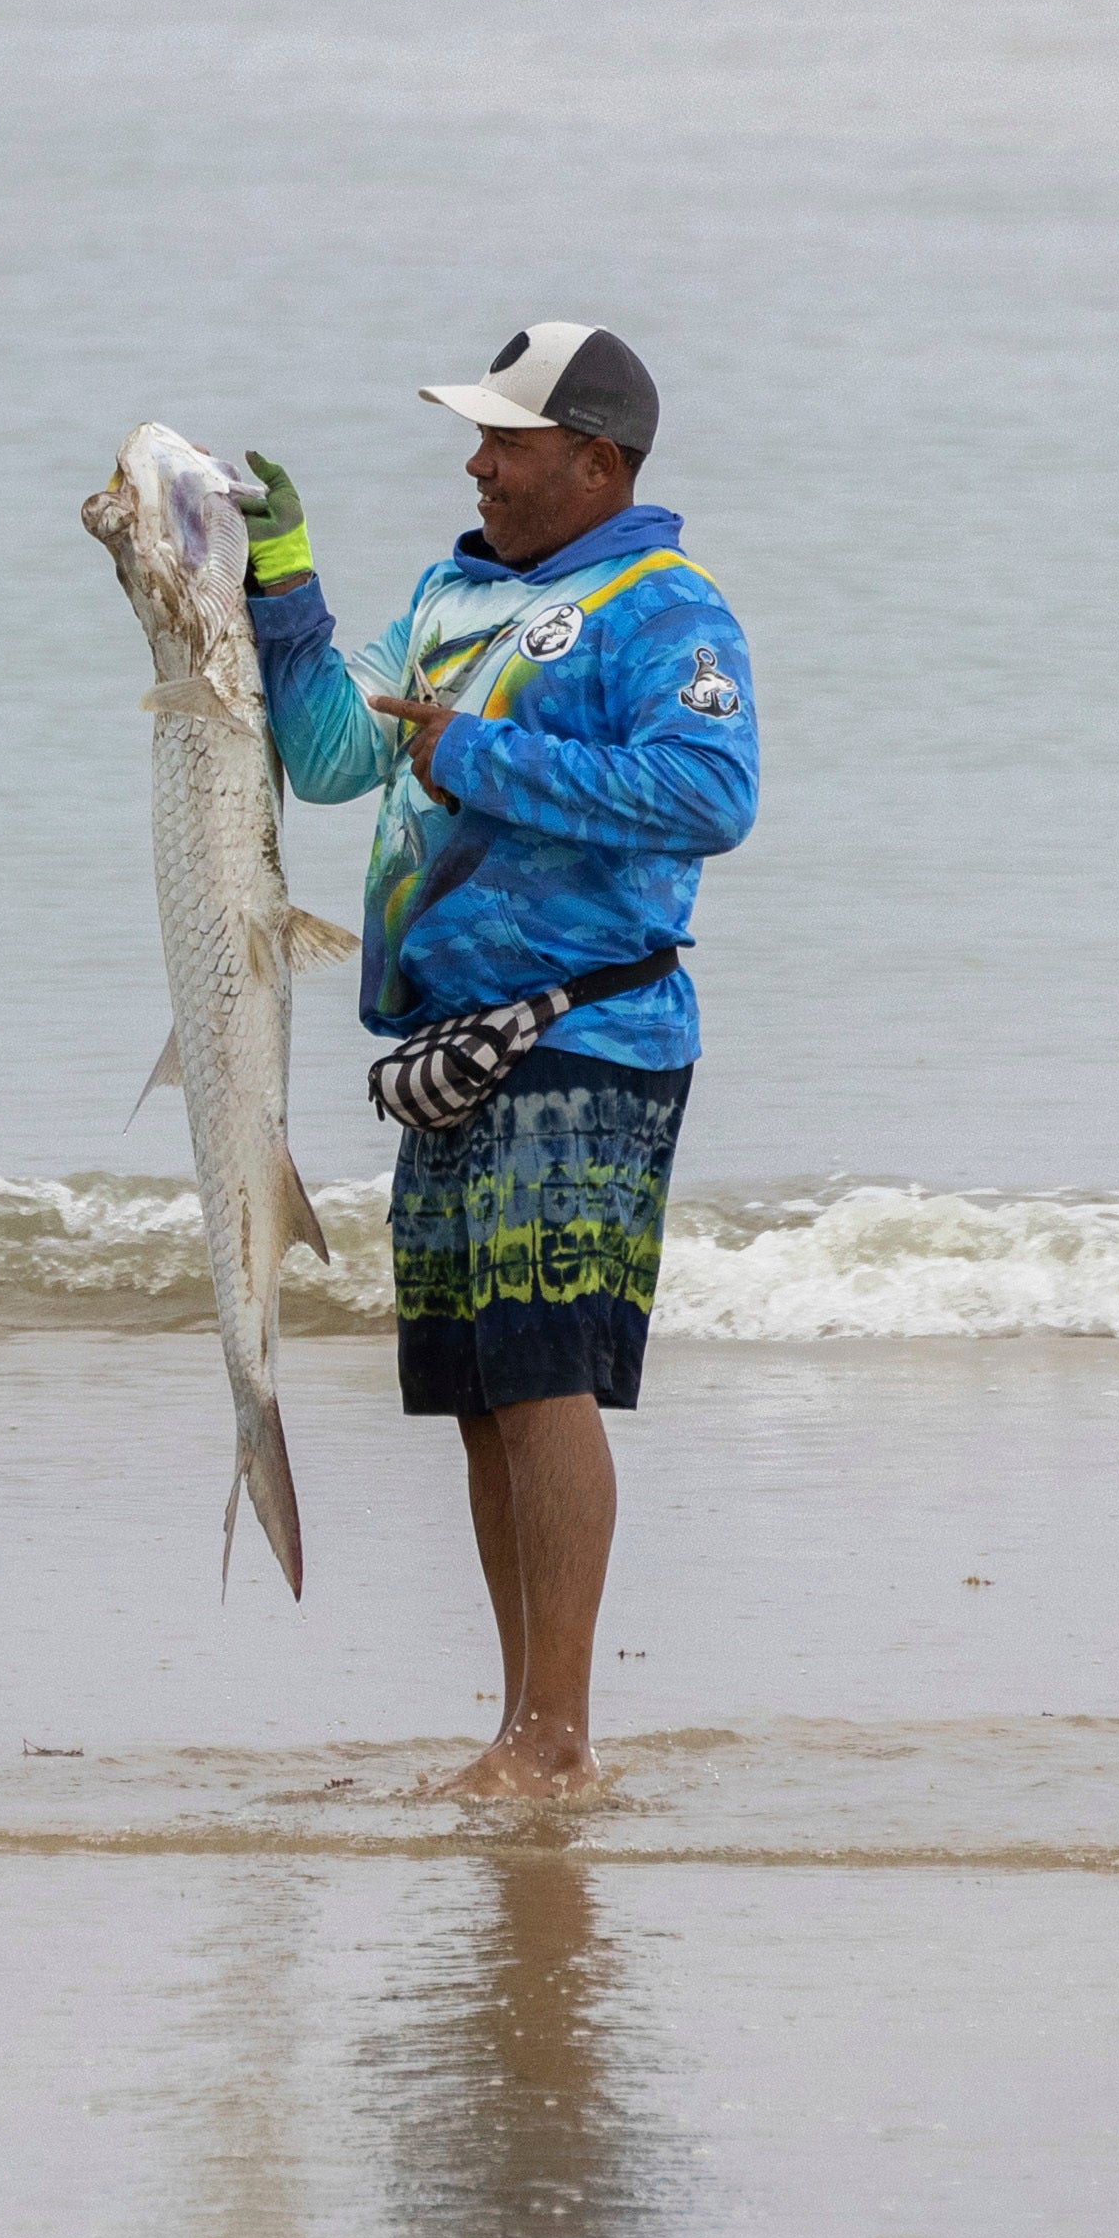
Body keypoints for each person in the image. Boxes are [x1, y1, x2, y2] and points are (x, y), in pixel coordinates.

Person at [239, 320, 757, 1803]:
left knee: (541, 1376)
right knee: (475, 1389)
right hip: (451, 1052)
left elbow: (711, 793)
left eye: (505, 442)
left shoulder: (664, 607)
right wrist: (281, 583)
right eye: (473, 438)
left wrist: (473, 753)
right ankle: (524, 1723)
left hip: (587, 1032)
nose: (475, 464)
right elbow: (332, 758)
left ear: (593, 460)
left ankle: (556, 1738)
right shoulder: (446, 592)